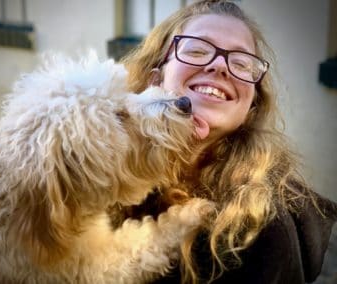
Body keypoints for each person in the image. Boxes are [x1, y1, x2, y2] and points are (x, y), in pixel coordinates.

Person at [109, 0, 337, 283]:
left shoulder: (267, 223)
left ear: (251, 105)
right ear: (157, 76)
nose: (220, 66)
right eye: (197, 50)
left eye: (241, 63)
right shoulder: (98, 173)